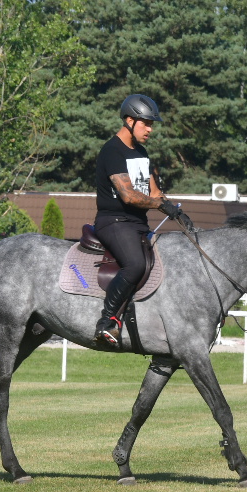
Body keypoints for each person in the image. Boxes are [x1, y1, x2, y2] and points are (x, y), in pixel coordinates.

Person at [93, 94, 184, 346]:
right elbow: (129, 196)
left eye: (151, 124)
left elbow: (153, 192)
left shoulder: (141, 152)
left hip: (137, 224)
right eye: (146, 123)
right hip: (113, 221)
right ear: (130, 121)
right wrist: (159, 204)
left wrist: (174, 211)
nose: (150, 129)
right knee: (134, 264)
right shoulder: (112, 151)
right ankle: (107, 321)